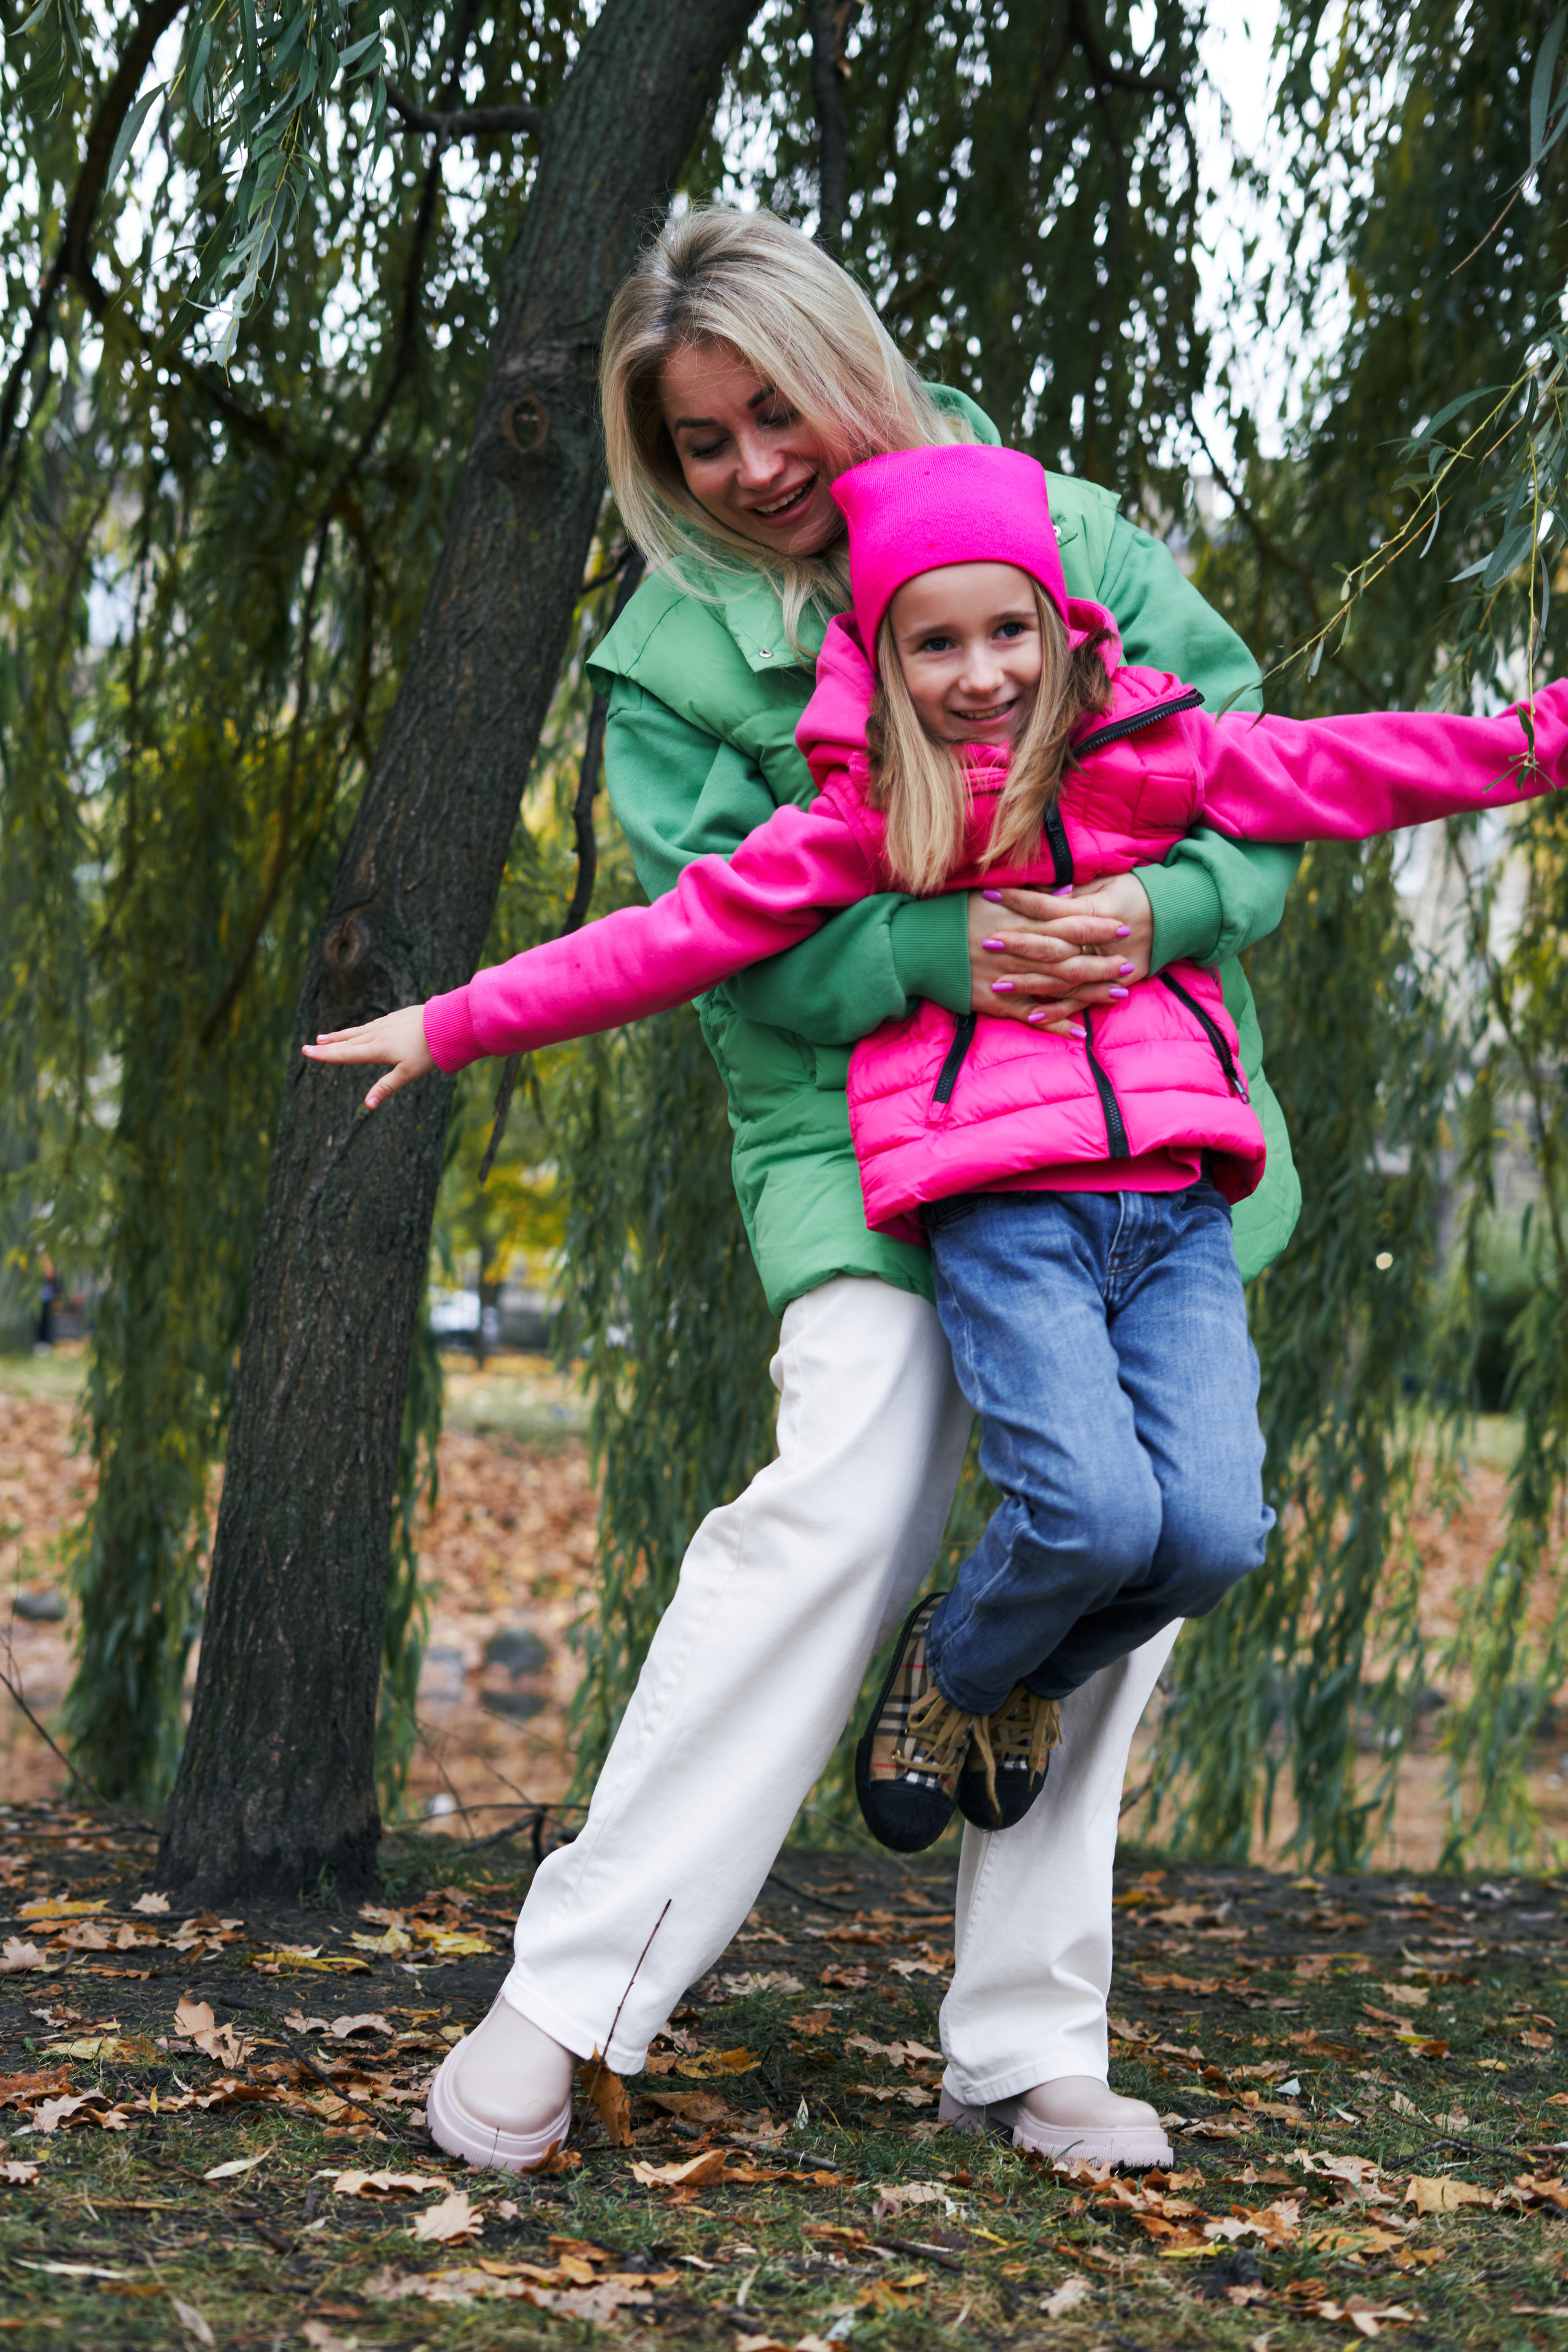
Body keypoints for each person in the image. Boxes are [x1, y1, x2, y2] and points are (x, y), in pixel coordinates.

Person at [311, 206, 1309, 2175]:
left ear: (845, 366)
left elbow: (1254, 797)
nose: (754, 466)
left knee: (1136, 1529)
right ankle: (574, 1991)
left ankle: (1030, 2041)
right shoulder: (680, 661)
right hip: (867, 1141)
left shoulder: (1064, 532)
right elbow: (735, 949)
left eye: (777, 410)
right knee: (840, 1496)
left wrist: (1150, 909)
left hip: (1125, 1113)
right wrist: (951, 957)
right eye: (700, 440)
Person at [314, 435, 1566, 1856]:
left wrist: (1543, 739)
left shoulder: (1159, 756)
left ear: (1056, 622)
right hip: (1005, 1209)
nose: (980, 675)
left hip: (1175, 1202)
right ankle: (955, 1671)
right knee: (1090, 1511)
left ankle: (1003, 1669)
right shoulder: (869, 822)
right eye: (934, 644)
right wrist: (459, 1022)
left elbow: (1368, 767)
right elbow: (668, 942)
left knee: (1214, 1529)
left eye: (1005, 630)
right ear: (884, 660)